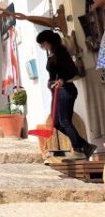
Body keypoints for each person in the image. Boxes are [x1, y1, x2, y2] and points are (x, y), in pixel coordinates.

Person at [36, 30, 96, 160]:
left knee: (64, 121)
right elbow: (54, 72)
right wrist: (50, 81)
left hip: (65, 90)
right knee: (57, 122)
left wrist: (61, 79)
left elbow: (72, 70)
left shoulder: (60, 52)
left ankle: (78, 150)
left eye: (41, 44)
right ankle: (85, 146)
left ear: (46, 42)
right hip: (57, 91)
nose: (41, 47)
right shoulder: (51, 53)